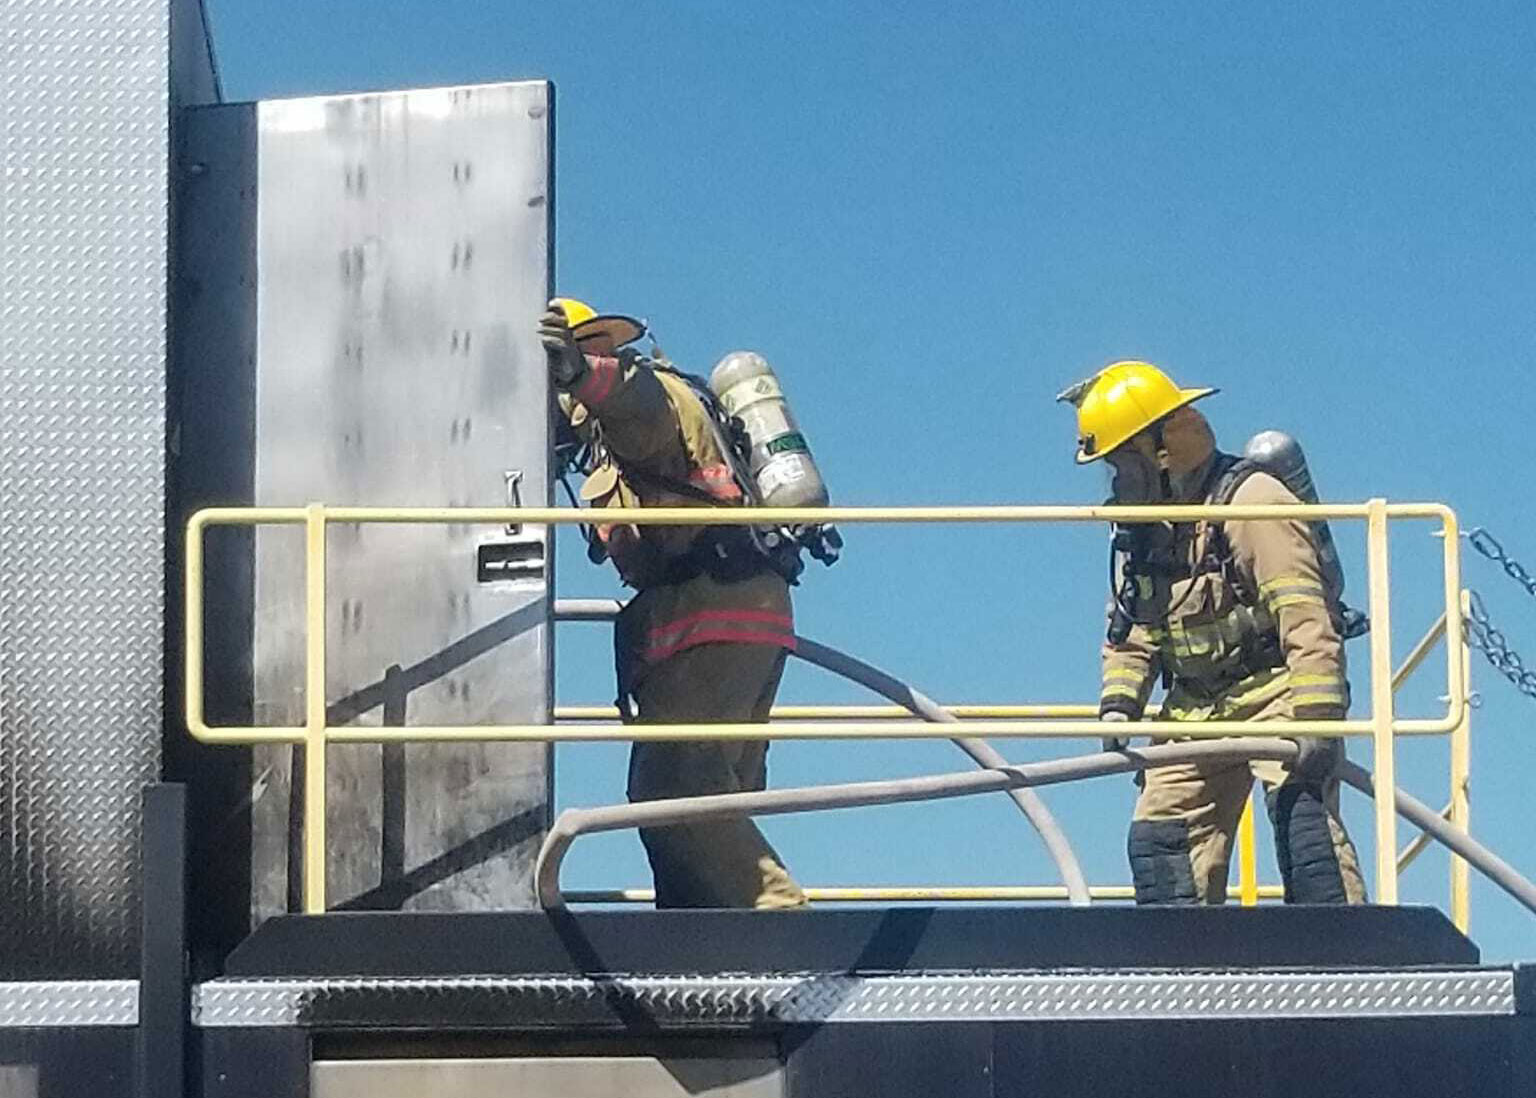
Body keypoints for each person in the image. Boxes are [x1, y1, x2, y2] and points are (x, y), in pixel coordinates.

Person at [1059, 361, 1367, 905]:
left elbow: (1304, 611)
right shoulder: (1144, 529)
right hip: (1195, 709)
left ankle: (1348, 961)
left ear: (1163, 451)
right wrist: (1119, 705)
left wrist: (1317, 719)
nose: (1116, 481)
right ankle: (1181, 973)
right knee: (1160, 841)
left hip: (1276, 692)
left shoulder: (1252, 502)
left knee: (1304, 825)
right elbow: (1133, 627)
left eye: (1121, 464)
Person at [539, 297, 806, 909]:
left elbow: (641, 408)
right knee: (699, 796)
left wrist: (580, 376)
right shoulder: (627, 422)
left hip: (711, 618)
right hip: (735, 615)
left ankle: (778, 923)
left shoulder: (648, 398)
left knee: (675, 784)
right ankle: (702, 939)